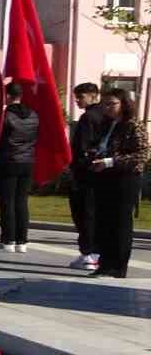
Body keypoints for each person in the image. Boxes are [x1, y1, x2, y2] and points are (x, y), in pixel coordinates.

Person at [86, 89, 147, 278]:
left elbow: (142, 155)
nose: (107, 108)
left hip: (125, 179)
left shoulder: (133, 125)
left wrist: (111, 161)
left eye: (112, 104)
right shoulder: (107, 124)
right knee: (104, 222)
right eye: (105, 104)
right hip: (105, 177)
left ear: (123, 104)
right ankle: (105, 264)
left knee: (120, 223)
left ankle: (119, 267)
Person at [0, 82, 38, 252]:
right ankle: (22, 241)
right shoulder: (33, 114)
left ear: (8, 96)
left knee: (7, 202)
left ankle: (8, 239)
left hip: (7, 161)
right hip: (27, 161)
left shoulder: (4, 115)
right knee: (21, 201)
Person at [68, 83, 107, 270]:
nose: (77, 100)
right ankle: (95, 253)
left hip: (84, 173)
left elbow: (81, 148)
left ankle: (88, 254)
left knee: (83, 213)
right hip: (101, 173)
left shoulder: (88, 118)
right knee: (95, 214)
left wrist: (76, 168)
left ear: (93, 95)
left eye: (81, 96)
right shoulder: (106, 116)